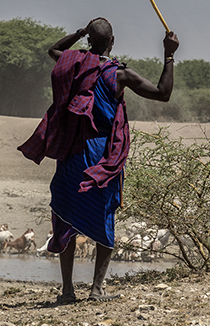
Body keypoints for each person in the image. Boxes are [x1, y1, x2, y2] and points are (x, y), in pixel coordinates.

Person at [18, 17, 179, 303]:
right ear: (113, 41)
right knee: (104, 214)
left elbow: (53, 50)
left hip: (72, 151)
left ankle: (67, 290)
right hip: (103, 152)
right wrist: (169, 54)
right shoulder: (118, 74)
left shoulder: (73, 63)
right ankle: (96, 289)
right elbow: (163, 94)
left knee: (65, 216)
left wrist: (79, 33)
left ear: (88, 41)